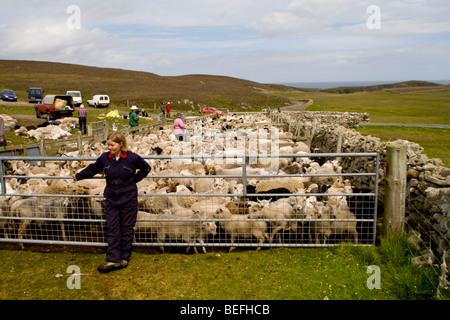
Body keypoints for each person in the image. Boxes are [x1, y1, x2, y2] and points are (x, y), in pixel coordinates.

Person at [73, 132, 151, 273]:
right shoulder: (105, 158)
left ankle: (124, 258)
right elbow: (93, 168)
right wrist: (79, 175)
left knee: (127, 228)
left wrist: (134, 180)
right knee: (112, 228)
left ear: (121, 144)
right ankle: (112, 259)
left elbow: (146, 168)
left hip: (128, 199)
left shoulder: (132, 158)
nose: (109, 147)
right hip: (111, 199)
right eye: (108, 144)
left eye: (112, 145)